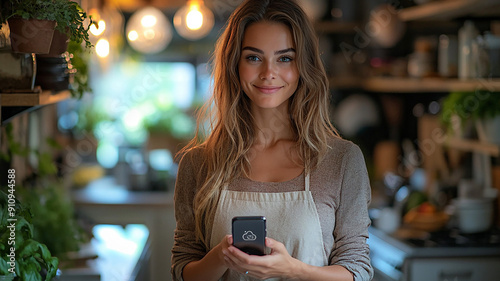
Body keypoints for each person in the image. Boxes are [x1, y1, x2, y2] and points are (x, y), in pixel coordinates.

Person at [171, 0, 373, 280]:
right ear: (235, 65)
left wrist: (293, 269)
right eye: (253, 57)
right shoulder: (199, 163)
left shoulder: (341, 160)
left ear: (303, 66)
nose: (268, 73)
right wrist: (220, 257)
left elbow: (357, 270)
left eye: (285, 58)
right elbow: (183, 271)